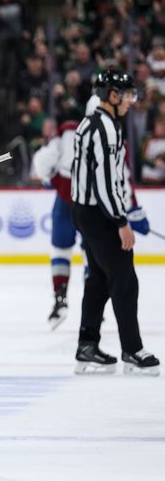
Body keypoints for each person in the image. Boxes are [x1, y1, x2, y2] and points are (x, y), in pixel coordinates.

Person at [70, 68, 159, 376]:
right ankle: (132, 350)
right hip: (101, 214)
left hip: (87, 211)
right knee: (124, 279)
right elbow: (106, 182)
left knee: (99, 278)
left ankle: (87, 346)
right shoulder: (105, 128)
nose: (131, 100)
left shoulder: (93, 122)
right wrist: (121, 220)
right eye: (128, 94)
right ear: (112, 95)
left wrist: (127, 211)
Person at [32, 119, 81, 330]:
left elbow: (43, 164)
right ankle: (94, 300)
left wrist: (47, 178)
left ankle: (60, 298)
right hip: (87, 201)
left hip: (65, 202)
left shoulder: (60, 137)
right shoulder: (96, 131)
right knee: (93, 253)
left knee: (60, 251)